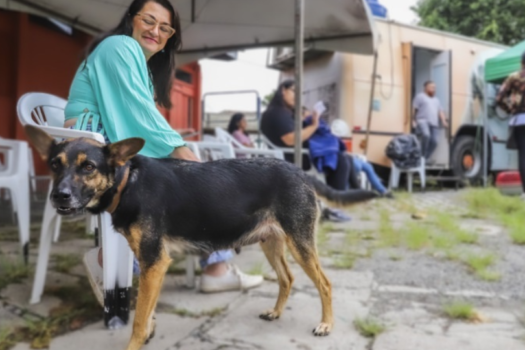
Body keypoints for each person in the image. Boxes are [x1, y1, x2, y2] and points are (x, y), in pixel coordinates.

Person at [64, 0, 262, 304]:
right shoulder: (119, 46)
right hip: (93, 148)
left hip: (105, 145)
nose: (156, 31)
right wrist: (180, 151)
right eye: (149, 20)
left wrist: (179, 153)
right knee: (191, 178)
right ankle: (211, 267)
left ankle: (137, 261)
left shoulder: (137, 64)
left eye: (165, 28)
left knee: (183, 180)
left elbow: (137, 115)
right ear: (132, 19)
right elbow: (137, 112)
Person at [496, 51, 525, 199]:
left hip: (520, 119)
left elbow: (499, 97)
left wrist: (510, 108)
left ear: (521, 62)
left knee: (523, 155)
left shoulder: (514, 77)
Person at [412, 81, 449, 161]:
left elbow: (440, 111)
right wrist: (413, 120)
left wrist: (443, 121)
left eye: (434, 88)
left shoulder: (436, 100)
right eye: (432, 87)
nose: (434, 89)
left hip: (434, 123)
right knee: (426, 135)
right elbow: (414, 108)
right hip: (422, 120)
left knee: (435, 141)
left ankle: (424, 158)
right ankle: (421, 155)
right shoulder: (420, 96)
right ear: (426, 88)